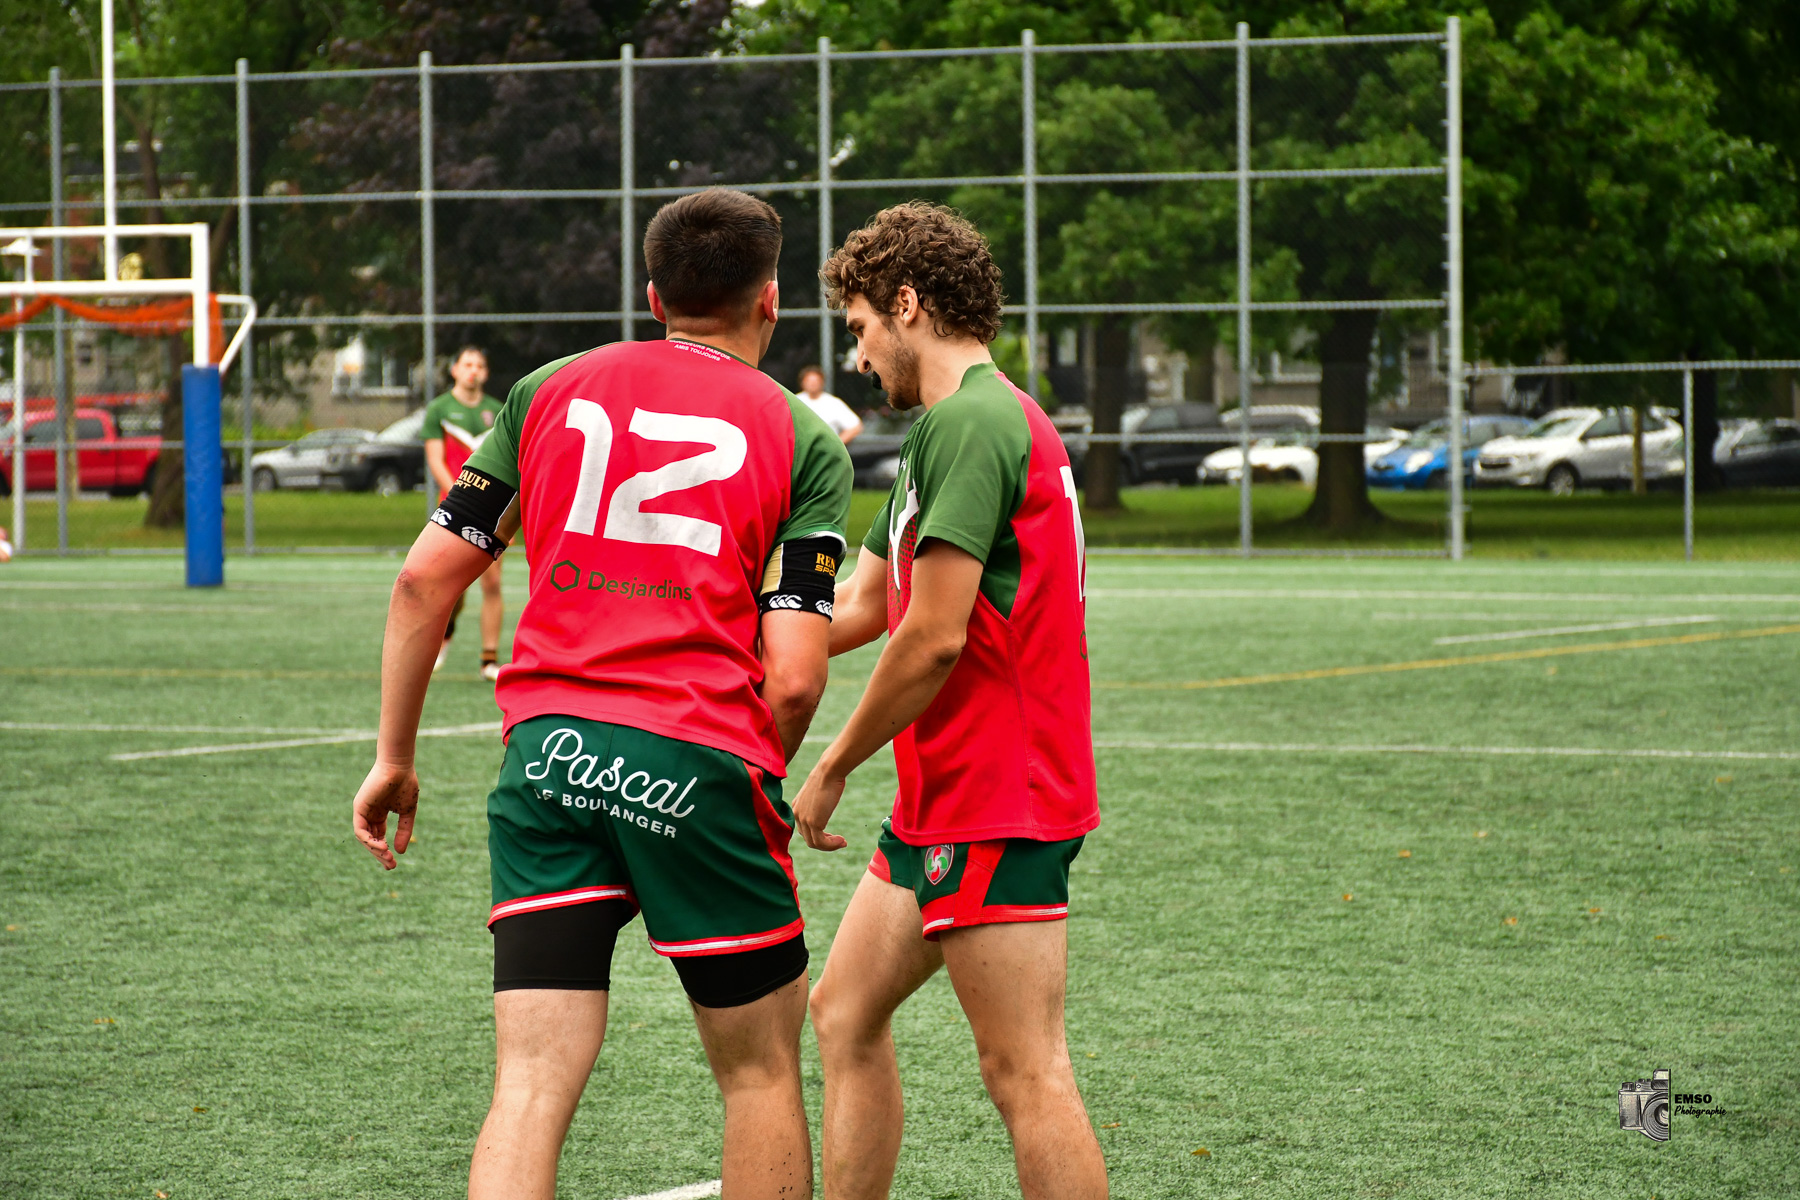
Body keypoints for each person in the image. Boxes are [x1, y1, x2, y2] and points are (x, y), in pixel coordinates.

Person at [351, 188, 852, 1200]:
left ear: (654, 294)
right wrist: (743, 777)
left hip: (548, 758)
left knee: (529, 1083)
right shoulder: (802, 437)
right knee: (758, 1075)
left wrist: (394, 757)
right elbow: (797, 675)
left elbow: (421, 584)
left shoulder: (547, 389)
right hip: (697, 762)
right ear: (772, 299)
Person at [793, 202, 1106, 1200]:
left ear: (907, 304)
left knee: (1025, 1071)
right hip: (948, 797)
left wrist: (831, 764)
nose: (856, 357)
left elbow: (932, 637)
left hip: (998, 796)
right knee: (843, 1012)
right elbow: (868, 602)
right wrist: (731, 632)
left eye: (859, 328)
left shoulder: (971, 424)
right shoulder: (957, 423)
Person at [422, 345, 506, 680]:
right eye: (467, 364)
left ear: (485, 373)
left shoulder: (497, 411)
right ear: (455, 369)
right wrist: (460, 499)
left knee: (493, 582)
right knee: (452, 587)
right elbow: (435, 460)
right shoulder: (439, 409)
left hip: (492, 511)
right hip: (453, 509)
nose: (473, 370)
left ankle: (489, 661)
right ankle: (446, 631)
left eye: (479, 365)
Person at [797, 364, 863, 445]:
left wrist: (835, 445)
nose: (812, 384)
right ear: (802, 383)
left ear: (822, 382)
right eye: (809, 381)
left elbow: (855, 426)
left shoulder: (833, 403)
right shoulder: (794, 401)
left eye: (816, 381)